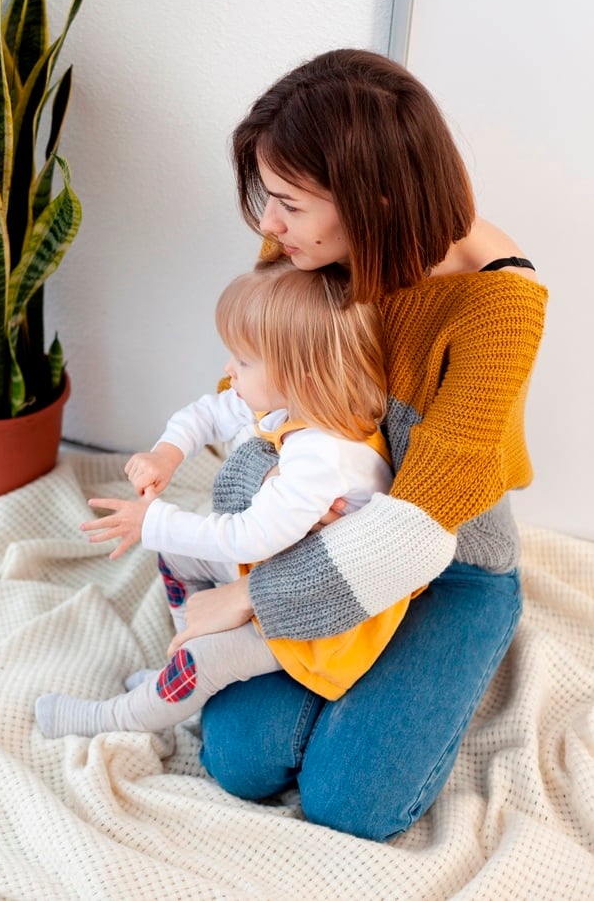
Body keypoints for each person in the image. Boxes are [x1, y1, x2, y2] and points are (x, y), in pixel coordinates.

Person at [163, 48, 548, 841]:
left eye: (288, 204)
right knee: (240, 760)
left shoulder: (499, 305)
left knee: (352, 804)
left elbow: (415, 531)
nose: (266, 224)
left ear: (373, 197)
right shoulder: (307, 248)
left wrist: (247, 598)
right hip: (315, 531)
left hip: (445, 566)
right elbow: (250, 399)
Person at [35, 260, 411, 739]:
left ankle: (116, 718)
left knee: (202, 663)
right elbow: (211, 412)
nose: (228, 369)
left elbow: (248, 538)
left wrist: (154, 520)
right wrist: (166, 456)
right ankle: (185, 644)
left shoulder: (324, 454)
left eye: (244, 361)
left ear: (303, 376)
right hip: (279, 570)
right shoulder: (301, 401)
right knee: (177, 557)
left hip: (316, 614)